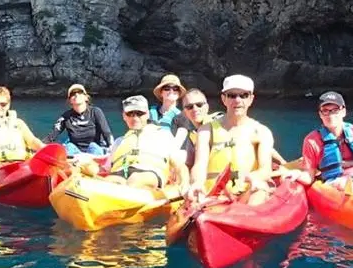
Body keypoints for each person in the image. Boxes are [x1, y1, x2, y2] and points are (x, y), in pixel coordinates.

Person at [187, 75, 276, 206]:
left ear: (251, 99)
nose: (238, 100)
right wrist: (197, 183)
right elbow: (200, 164)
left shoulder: (262, 132)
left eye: (244, 95)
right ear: (224, 99)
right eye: (232, 95)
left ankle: (247, 218)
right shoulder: (206, 131)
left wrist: (252, 178)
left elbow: (265, 169)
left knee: (260, 190)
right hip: (214, 195)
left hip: (246, 192)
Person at [102, 95, 189, 190]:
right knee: (109, 182)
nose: (135, 118)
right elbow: (106, 168)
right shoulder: (119, 141)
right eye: (130, 114)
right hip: (120, 172)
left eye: (139, 113)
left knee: (135, 179)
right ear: (124, 116)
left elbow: (179, 164)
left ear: (147, 114)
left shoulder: (163, 135)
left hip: (150, 172)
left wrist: (185, 183)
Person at [46, 84, 114, 157]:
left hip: (94, 150)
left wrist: (112, 148)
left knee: (93, 146)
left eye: (80, 92)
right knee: (69, 147)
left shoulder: (96, 112)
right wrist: (39, 146)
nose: (76, 95)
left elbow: (107, 133)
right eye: (73, 94)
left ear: (86, 97)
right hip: (75, 152)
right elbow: (53, 135)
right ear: (70, 100)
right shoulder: (66, 117)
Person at [171, 88, 219, 167]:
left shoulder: (219, 123)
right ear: (185, 112)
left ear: (207, 107)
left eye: (199, 105)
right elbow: (189, 163)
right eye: (189, 107)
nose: (195, 109)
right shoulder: (192, 135)